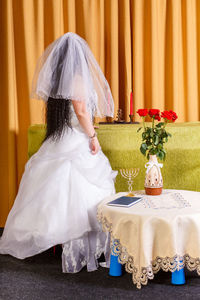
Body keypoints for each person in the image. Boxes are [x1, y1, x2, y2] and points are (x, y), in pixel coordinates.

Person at [0, 32, 117, 272]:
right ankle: (85, 247)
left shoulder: (57, 79)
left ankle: (61, 241)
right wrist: (93, 137)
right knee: (88, 190)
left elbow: (72, 114)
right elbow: (82, 111)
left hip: (61, 138)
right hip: (78, 139)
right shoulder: (77, 79)